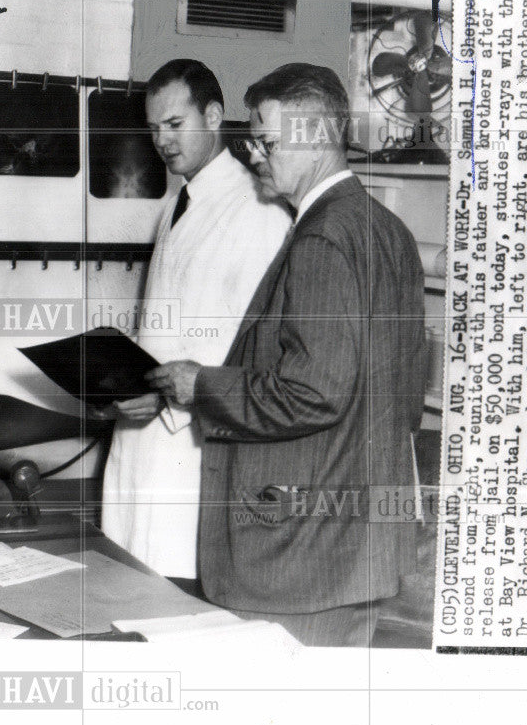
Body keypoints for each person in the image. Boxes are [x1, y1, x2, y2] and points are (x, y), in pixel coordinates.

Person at [147, 63, 426, 646]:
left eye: (269, 142)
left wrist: (202, 385)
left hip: (301, 556)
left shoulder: (322, 237)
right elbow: (401, 394)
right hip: (359, 547)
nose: (255, 155)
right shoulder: (387, 229)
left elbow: (313, 392)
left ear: (319, 137)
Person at [99, 59, 292, 590]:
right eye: (154, 127)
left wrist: (166, 398)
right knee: (126, 584)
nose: (162, 140)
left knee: (175, 595)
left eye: (175, 125)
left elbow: (246, 350)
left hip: (191, 444)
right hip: (141, 435)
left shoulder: (259, 211)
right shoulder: (175, 204)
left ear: (213, 115)